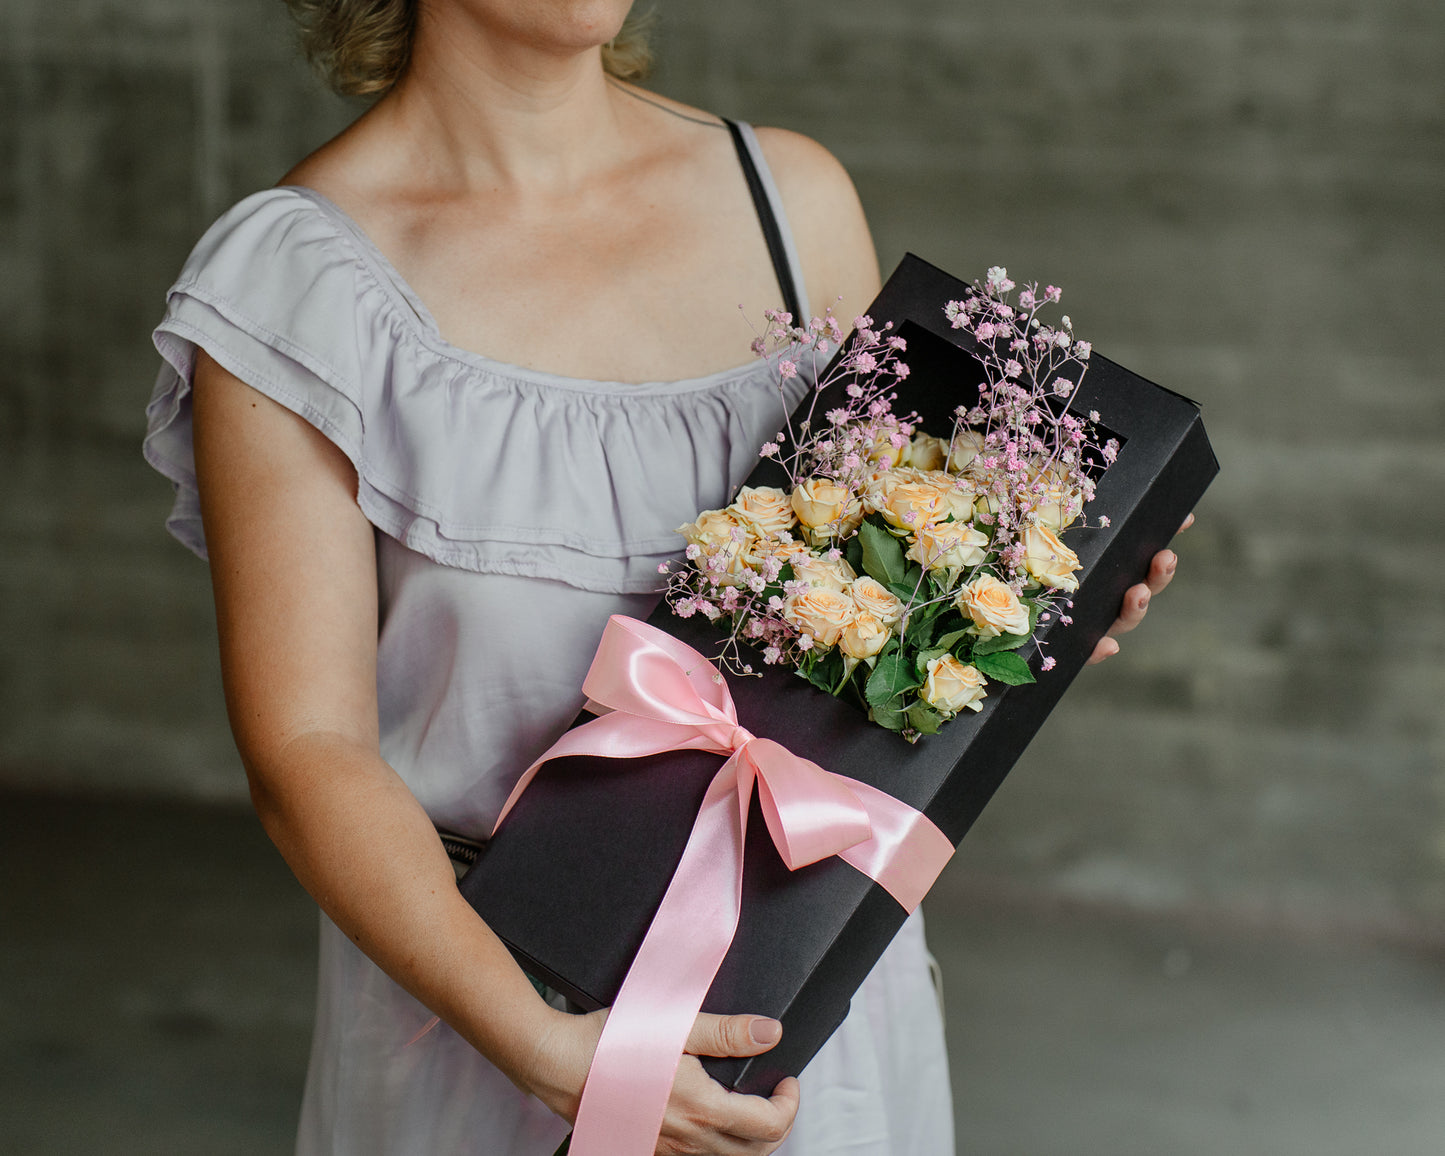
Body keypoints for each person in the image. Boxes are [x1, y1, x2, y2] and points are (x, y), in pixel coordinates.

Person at [142, 2, 1187, 1152]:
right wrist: (546, 1054)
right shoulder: (291, 285)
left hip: (804, 994)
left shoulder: (788, 196)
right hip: (501, 1027)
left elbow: (851, 608)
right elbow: (305, 752)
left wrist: (1007, 617)